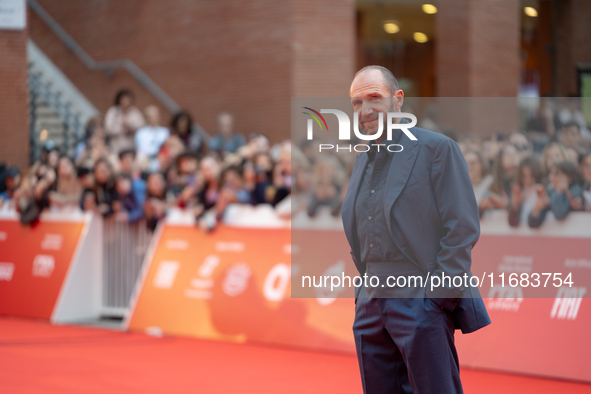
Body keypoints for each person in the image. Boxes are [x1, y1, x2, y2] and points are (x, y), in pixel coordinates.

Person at [344, 66, 490, 394]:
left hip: (420, 297)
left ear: (397, 101)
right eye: (356, 103)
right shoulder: (363, 157)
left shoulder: (437, 149)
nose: (365, 110)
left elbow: (462, 226)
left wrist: (438, 297)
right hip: (371, 300)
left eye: (373, 98)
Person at [528, 160, 584, 228]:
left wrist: (558, 192)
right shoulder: (550, 192)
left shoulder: (576, 190)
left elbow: (559, 214)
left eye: (556, 174)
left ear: (569, 178)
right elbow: (533, 224)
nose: (551, 177)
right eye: (551, 173)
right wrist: (537, 208)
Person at [104, 89, 145, 154]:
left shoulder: (135, 112)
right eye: (124, 99)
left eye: (128, 100)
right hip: (116, 147)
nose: (126, 102)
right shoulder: (113, 112)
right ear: (120, 100)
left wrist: (129, 125)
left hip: (131, 147)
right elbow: (108, 129)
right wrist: (122, 128)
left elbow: (141, 127)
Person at [135, 105, 170, 172]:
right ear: (146, 118)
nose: (153, 118)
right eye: (150, 116)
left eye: (155, 116)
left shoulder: (165, 132)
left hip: (162, 161)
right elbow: (141, 150)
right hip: (145, 162)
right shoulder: (140, 133)